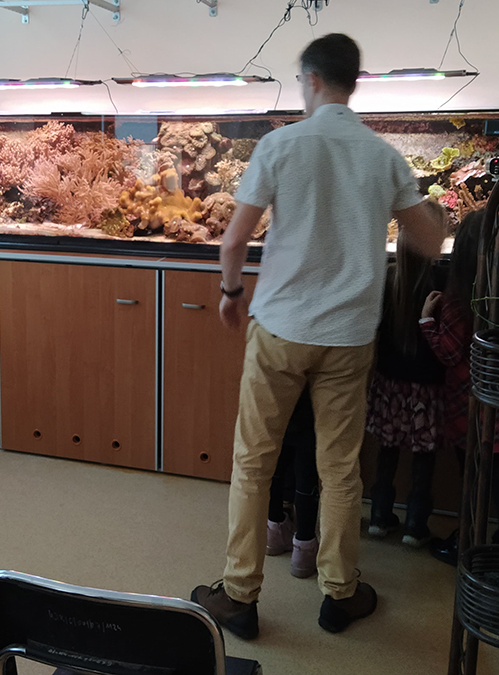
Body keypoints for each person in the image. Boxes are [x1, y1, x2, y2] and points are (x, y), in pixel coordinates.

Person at [190, 33, 445, 639]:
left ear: (310, 80)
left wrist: (231, 293)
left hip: (280, 328)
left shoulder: (280, 145)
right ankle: (340, 593)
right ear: (354, 83)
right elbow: (430, 241)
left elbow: (233, 241)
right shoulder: (383, 156)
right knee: (339, 469)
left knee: (254, 463)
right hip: (349, 337)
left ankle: (240, 595)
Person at [419, 209, 499, 565]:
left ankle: (467, 542)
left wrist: (426, 321)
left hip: (470, 404)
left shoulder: (461, 299)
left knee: (472, 475)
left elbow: (449, 353)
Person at [365, 199, 448, 547]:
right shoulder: (441, 282)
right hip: (427, 386)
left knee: (387, 449)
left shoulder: (387, 278)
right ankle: (415, 524)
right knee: (423, 455)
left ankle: (379, 516)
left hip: (389, 383)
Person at [265, 390, 319, 579]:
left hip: (278, 389)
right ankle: (304, 547)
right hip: (315, 396)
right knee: (307, 466)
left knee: (276, 459)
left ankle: (273, 531)